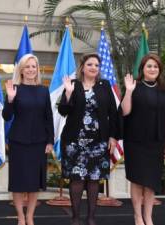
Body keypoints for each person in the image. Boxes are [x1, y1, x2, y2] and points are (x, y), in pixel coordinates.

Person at [58, 53, 118, 225]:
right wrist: (68, 94)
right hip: (74, 141)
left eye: (96, 65)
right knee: (76, 179)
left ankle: (91, 217)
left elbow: (113, 113)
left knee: (93, 179)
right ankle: (75, 217)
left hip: (98, 142)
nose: (93, 67)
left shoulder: (104, 85)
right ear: (83, 67)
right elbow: (63, 111)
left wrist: (113, 136)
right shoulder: (73, 85)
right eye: (90, 64)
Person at [121, 53, 165, 225]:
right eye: (149, 66)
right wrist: (128, 91)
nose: (152, 69)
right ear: (142, 69)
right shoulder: (134, 87)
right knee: (137, 180)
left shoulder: (164, 92)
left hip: (156, 142)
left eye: (156, 66)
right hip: (135, 142)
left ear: (160, 70)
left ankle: (148, 216)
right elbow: (125, 111)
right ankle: (137, 216)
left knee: (151, 182)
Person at [2, 54, 54, 225]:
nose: (31, 70)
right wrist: (10, 99)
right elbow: (6, 116)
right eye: (27, 67)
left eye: (34, 66)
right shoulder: (14, 89)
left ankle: (30, 216)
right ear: (21, 70)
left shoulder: (43, 90)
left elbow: (49, 117)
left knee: (34, 183)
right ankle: (20, 216)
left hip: (39, 143)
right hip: (18, 142)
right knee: (18, 182)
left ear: (37, 69)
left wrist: (50, 141)